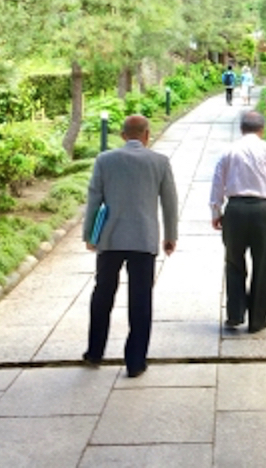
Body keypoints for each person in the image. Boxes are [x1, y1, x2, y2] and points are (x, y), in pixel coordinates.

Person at [82, 114, 178, 377]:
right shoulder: (159, 162)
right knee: (141, 299)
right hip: (143, 239)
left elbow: (93, 199)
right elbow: (170, 203)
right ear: (146, 134)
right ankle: (135, 362)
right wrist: (170, 235)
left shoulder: (105, 160)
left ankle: (94, 352)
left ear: (123, 135)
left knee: (103, 294)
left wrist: (89, 235)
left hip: (110, 239)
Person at [210, 110, 266, 333]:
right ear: (262, 129)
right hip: (262, 211)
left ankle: (235, 314)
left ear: (241, 129)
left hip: (235, 210)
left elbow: (217, 183)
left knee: (234, 262)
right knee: (263, 265)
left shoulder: (229, 151)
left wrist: (216, 211)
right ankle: (258, 319)